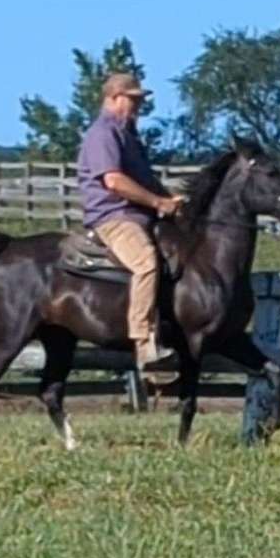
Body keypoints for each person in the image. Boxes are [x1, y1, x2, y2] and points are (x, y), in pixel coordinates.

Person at [77, 72, 183, 370]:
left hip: (139, 214)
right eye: (133, 99)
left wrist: (170, 200)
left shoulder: (129, 135)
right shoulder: (103, 134)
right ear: (113, 98)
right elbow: (114, 182)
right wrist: (157, 202)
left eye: (140, 100)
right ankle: (143, 340)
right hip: (114, 216)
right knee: (146, 262)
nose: (138, 106)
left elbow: (144, 180)